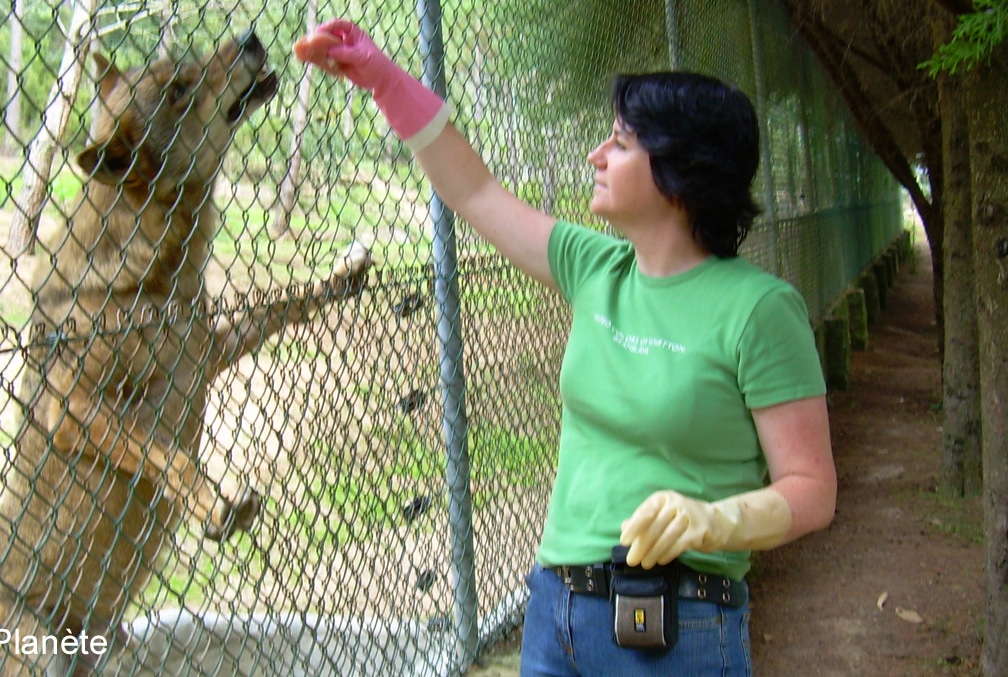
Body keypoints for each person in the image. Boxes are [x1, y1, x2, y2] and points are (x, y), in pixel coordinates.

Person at [296, 19, 836, 677]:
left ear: (678, 170)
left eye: (621, 142)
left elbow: (811, 488)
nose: (596, 155)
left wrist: (713, 521)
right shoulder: (596, 266)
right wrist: (381, 77)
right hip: (557, 610)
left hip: (679, 623)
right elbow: (473, 190)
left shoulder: (758, 308)